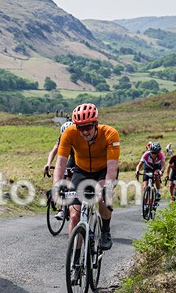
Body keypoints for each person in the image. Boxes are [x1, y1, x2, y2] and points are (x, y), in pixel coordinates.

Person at [51, 103, 120, 250]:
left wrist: (107, 187)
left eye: (87, 127)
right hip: (81, 171)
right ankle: (75, 259)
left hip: (104, 170)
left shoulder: (110, 134)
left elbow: (113, 166)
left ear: (95, 124)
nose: (84, 132)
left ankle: (106, 231)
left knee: (103, 199)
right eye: (80, 128)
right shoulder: (69, 133)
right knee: (74, 216)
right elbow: (61, 162)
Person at [43, 120, 75, 220]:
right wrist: (48, 163)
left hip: (79, 157)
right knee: (58, 173)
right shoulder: (62, 138)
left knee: (69, 178)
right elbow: (54, 151)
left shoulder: (79, 137)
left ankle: (70, 205)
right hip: (69, 158)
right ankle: (61, 205)